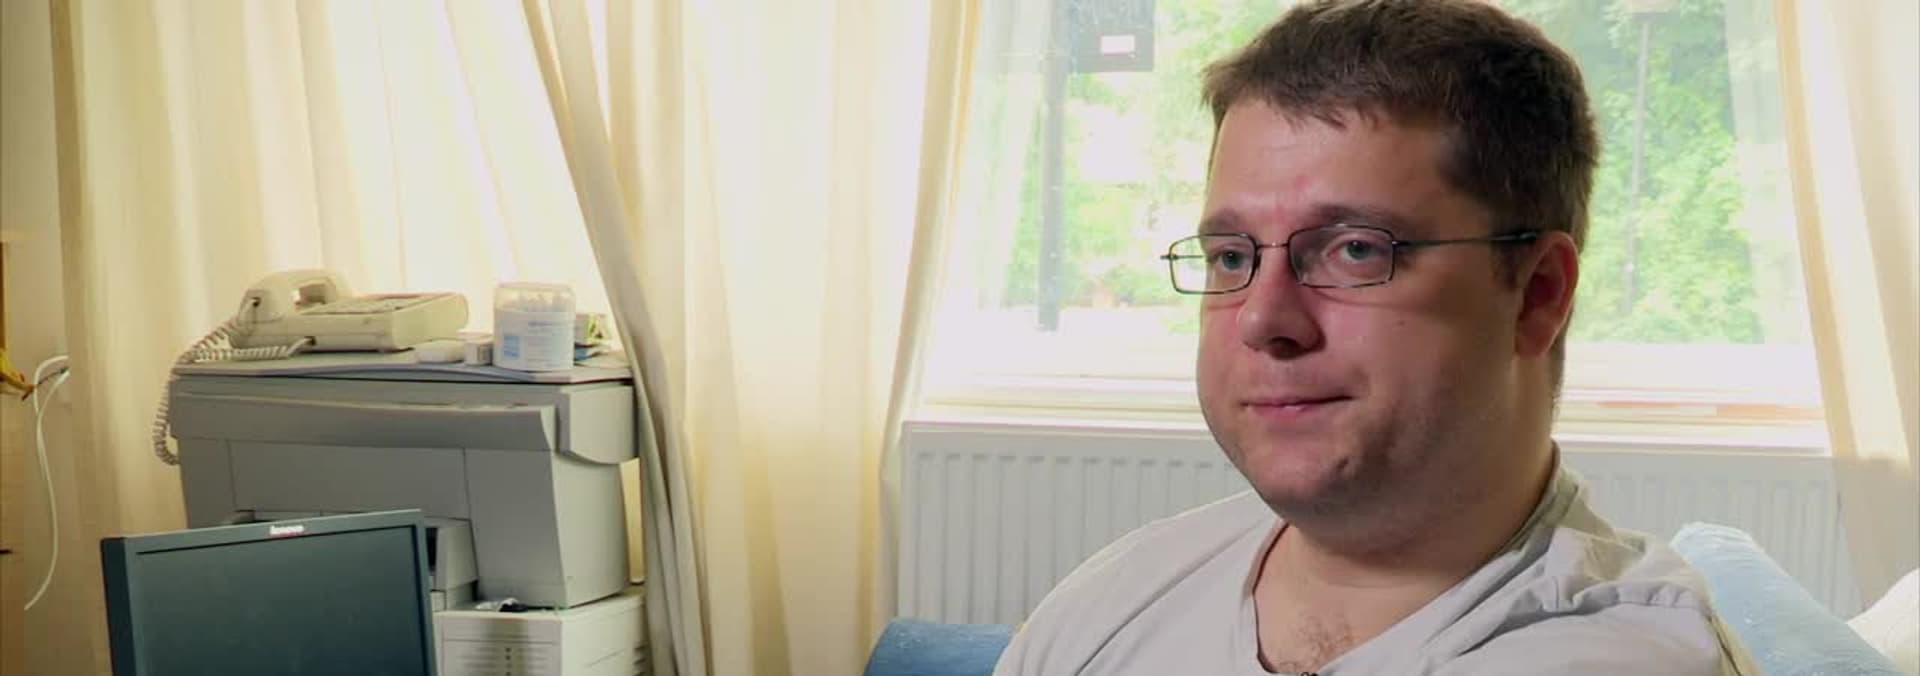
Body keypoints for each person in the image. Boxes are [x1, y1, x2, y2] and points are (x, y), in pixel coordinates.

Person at [992, 1, 1760, 674]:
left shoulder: (1626, 655)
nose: (1263, 320)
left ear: (1538, 295)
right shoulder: (1118, 599)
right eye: (1231, 257)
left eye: (1355, 249)